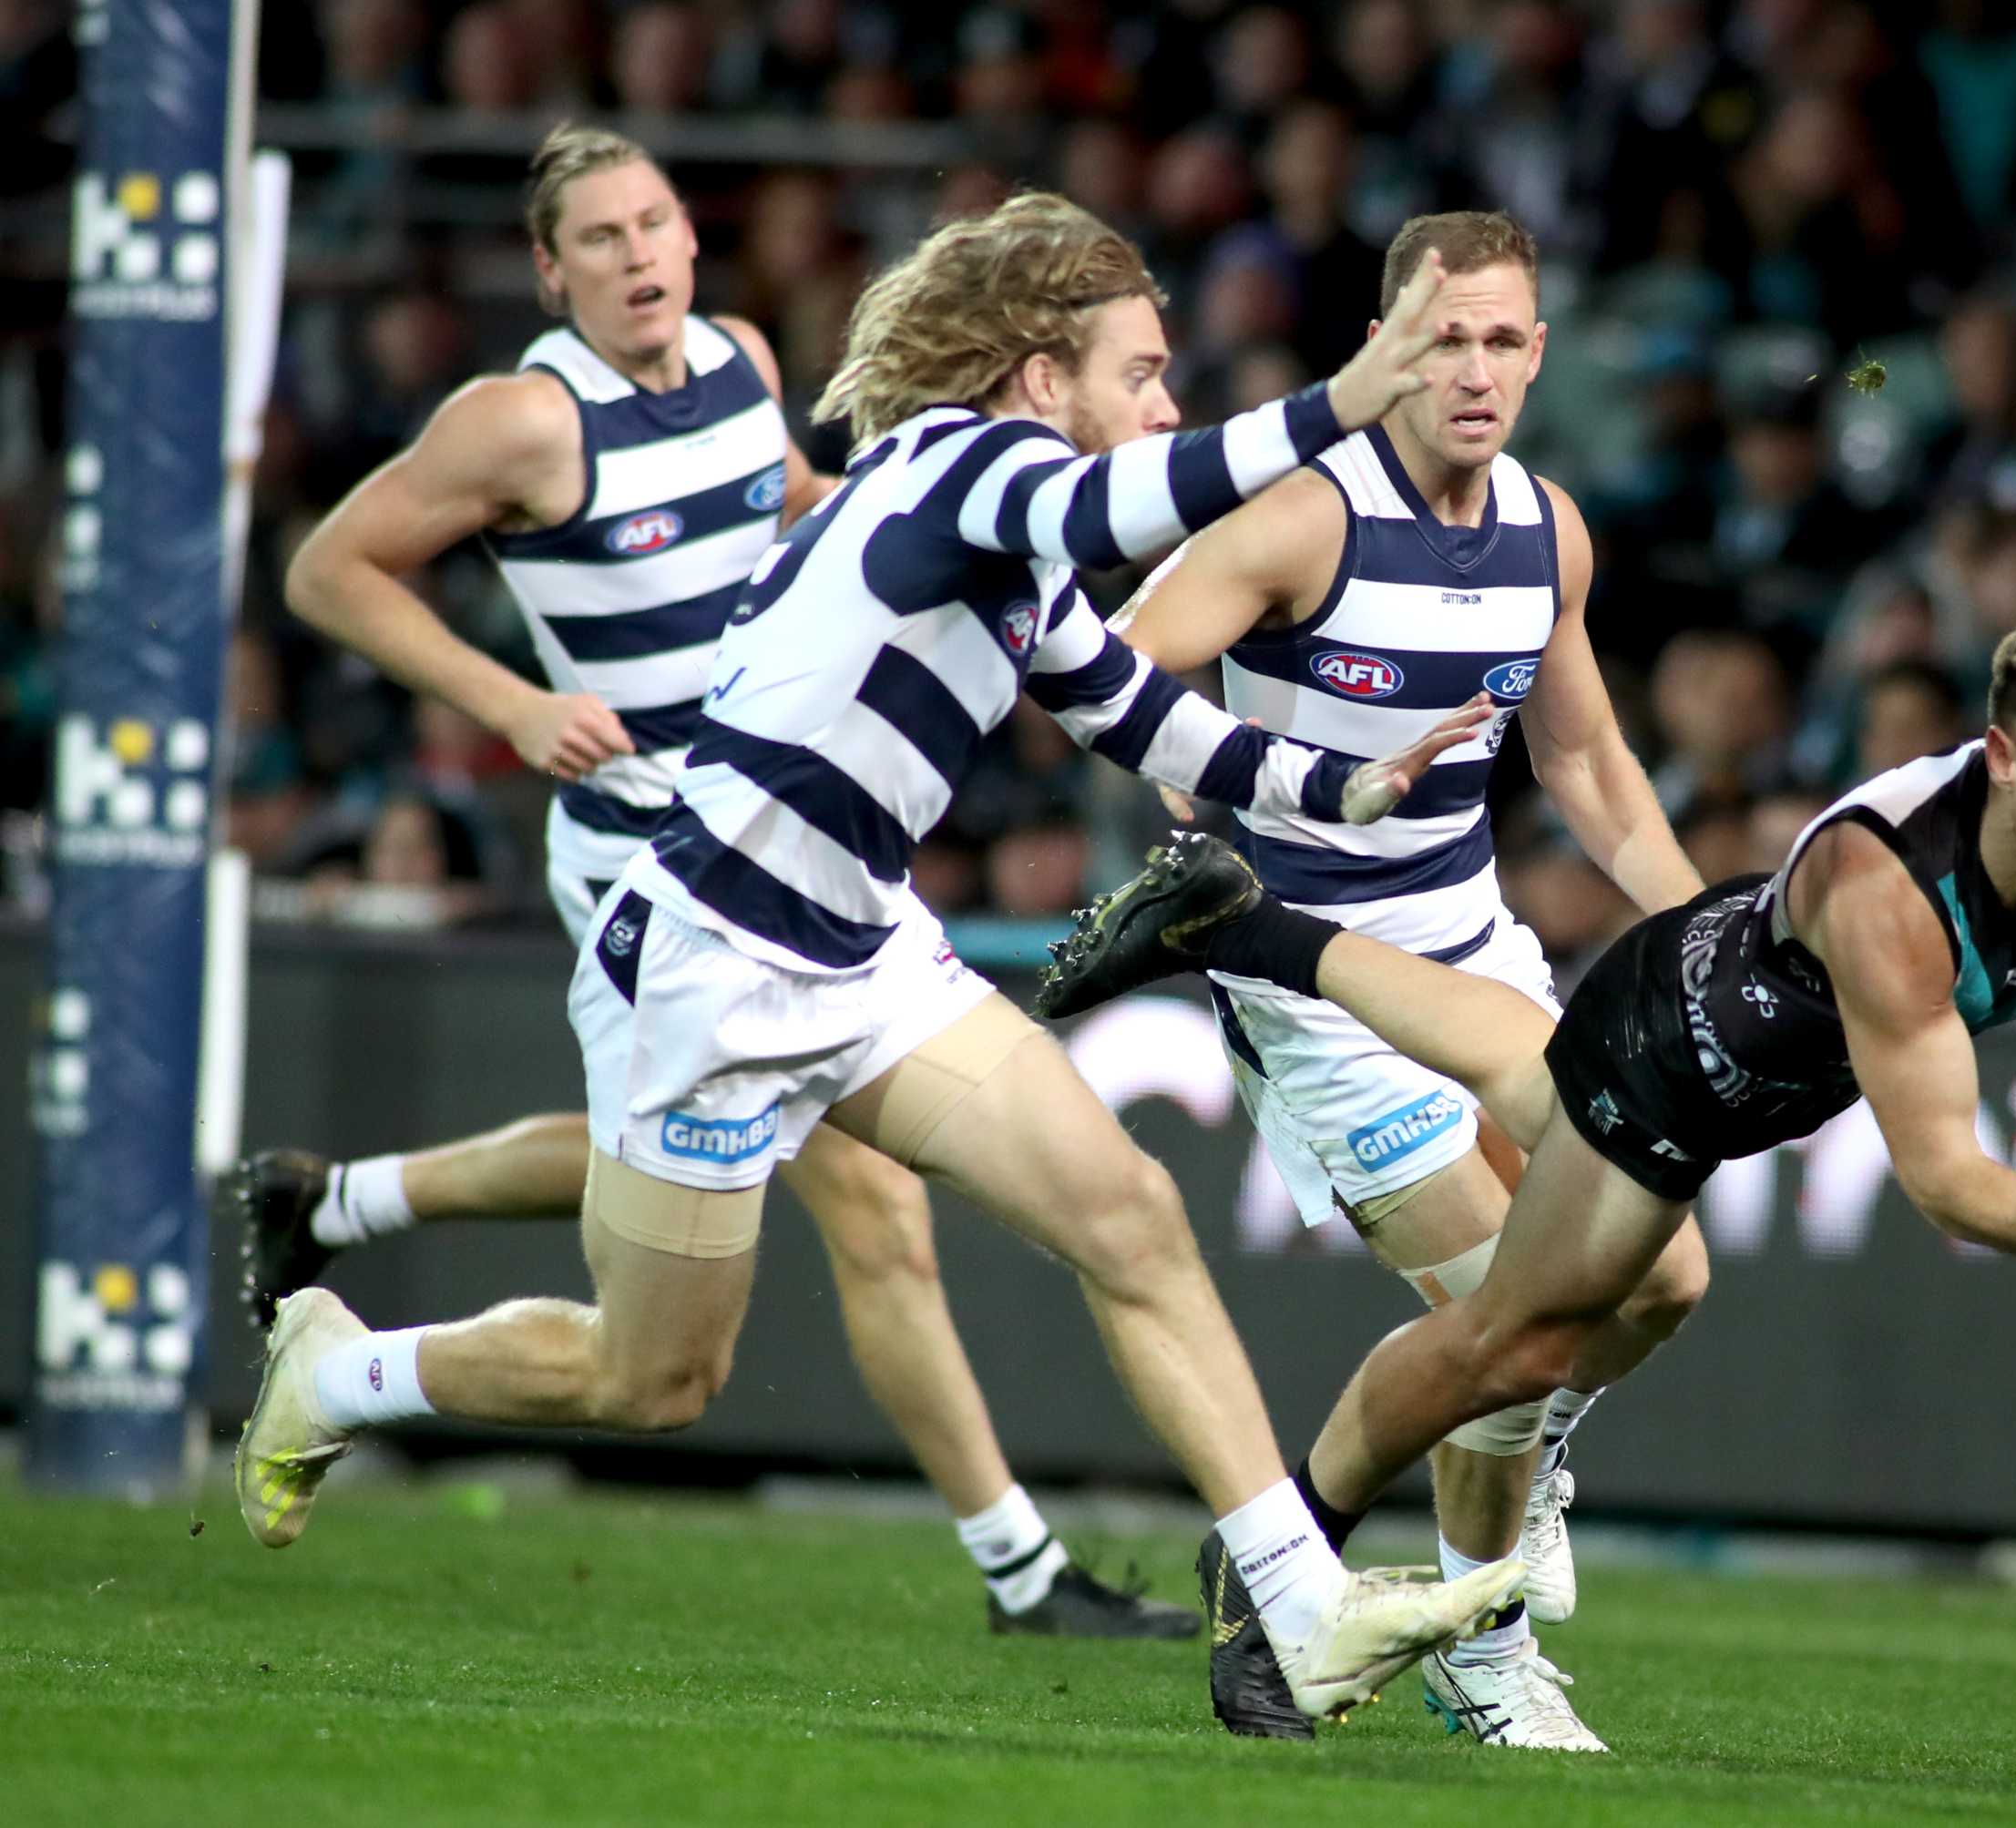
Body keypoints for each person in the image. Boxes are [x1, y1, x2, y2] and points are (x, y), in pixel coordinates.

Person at [234, 188, 1528, 1728]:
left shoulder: (1007, 531)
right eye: (1142, 373)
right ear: (1043, 378)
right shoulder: (971, 466)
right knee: (652, 1382)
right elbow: (1123, 515)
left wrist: (1346, 788)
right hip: (715, 962)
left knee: (1126, 1214)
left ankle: (1302, 1612)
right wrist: (1338, 407)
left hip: (865, 950)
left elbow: (1143, 715)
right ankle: (341, 1373)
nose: (1166, 403)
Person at [230, 125, 1189, 1639]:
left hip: (793, 838)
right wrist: (511, 706)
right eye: (600, 239)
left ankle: (337, 1202)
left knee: (743, 1182)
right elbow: (327, 570)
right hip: (649, 861)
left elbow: (805, 499)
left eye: (658, 222)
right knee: (804, 1232)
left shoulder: (743, 359)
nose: (640, 257)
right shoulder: (524, 422)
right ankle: (1021, 1570)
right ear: (550, 272)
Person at [1041, 594, 2016, 1605]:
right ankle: (1284, 1560)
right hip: (1674, 1057)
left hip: (1745, 1024)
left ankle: (1239, 923)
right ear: (2000, 757)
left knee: (1598, 1238)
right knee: (1512, 1346)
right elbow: (1948, 1182)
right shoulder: (1894, 893)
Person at [1108, 209, 1703, 1750]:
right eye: (1448, 335)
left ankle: (1294, 1537)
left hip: (1475, 950)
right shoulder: (1308, 516)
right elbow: (1113, 668)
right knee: (1513, 1313)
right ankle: (1477, 1652)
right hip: (1311, 980)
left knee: (1664, 1282)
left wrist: (1714, 932)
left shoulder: (1548, 530)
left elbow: (1583, 758)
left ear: (1541, 355)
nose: (1479, 367)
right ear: (1389, 346)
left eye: (1506, 338)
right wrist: (1214, 808)